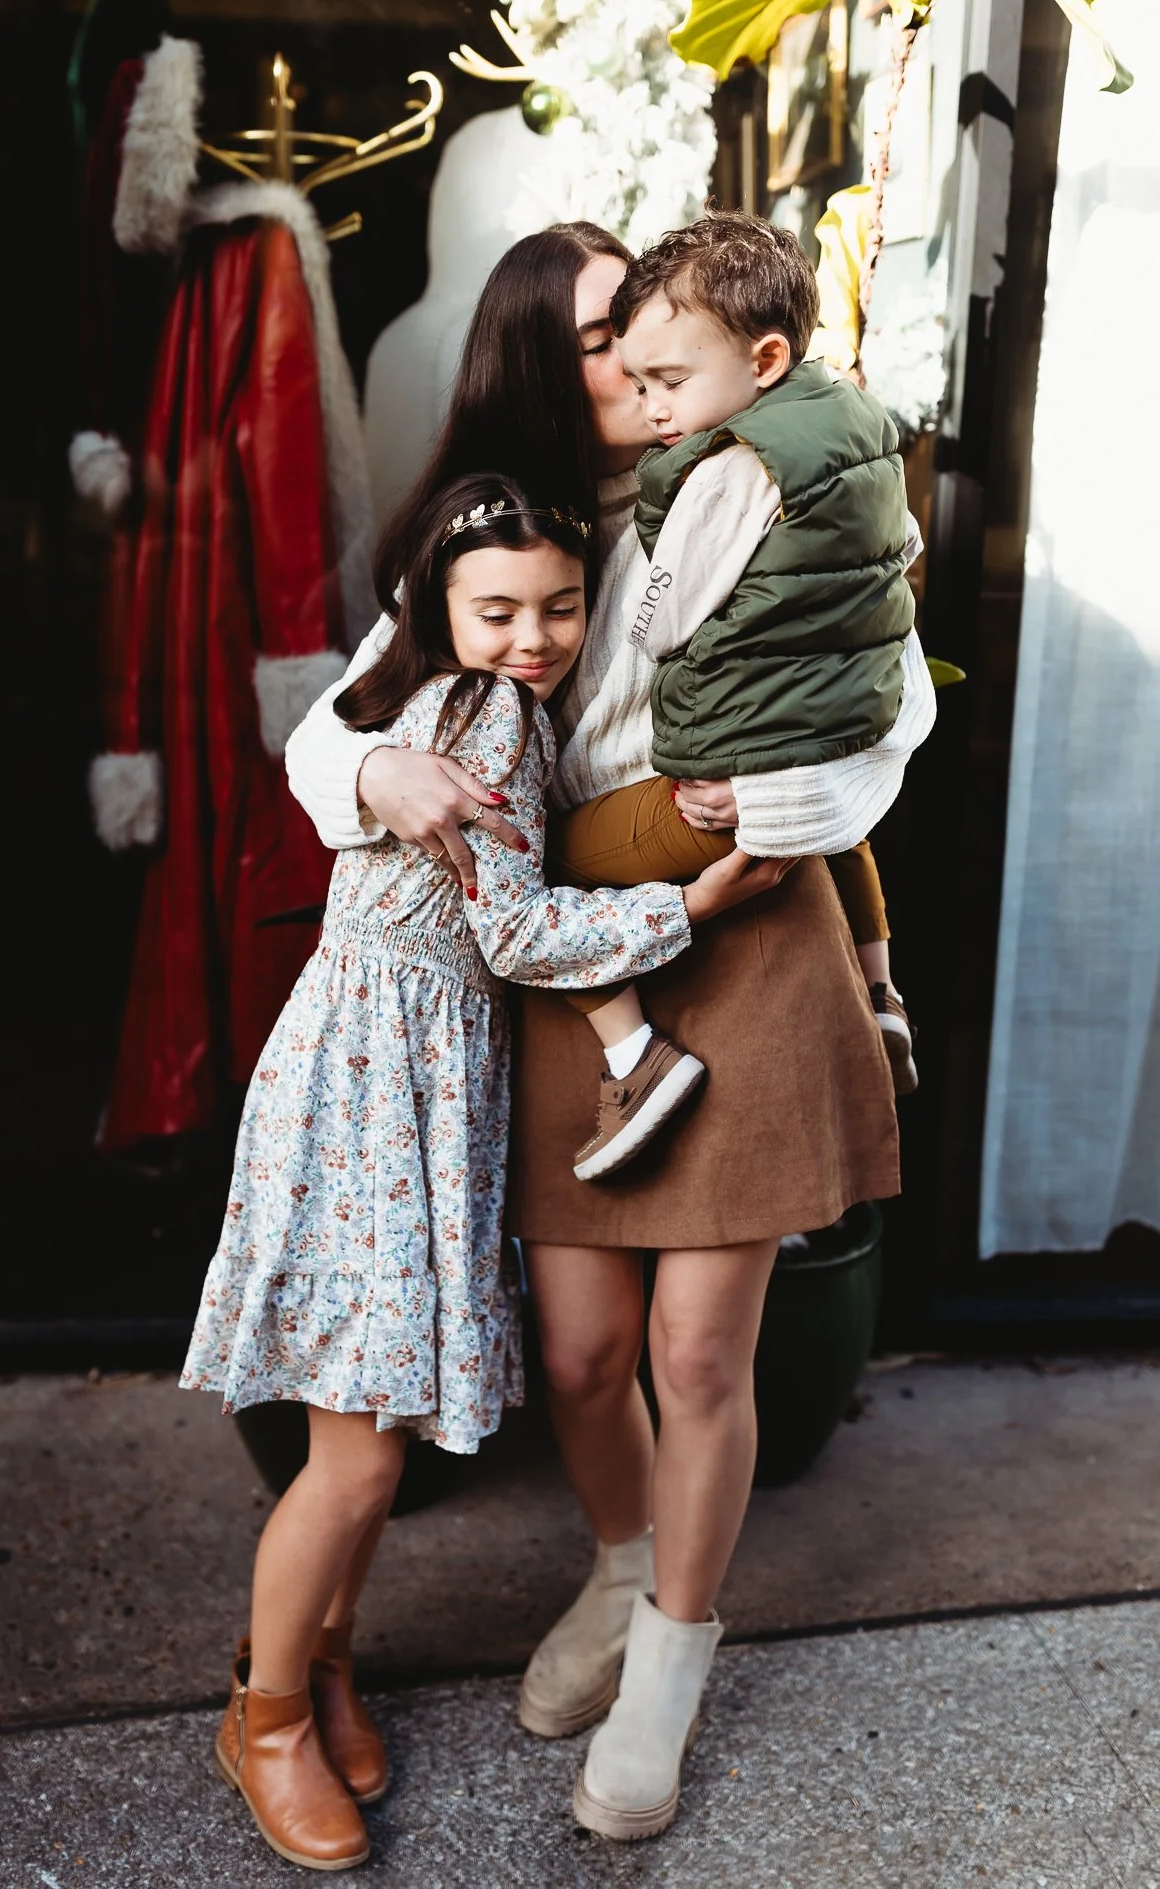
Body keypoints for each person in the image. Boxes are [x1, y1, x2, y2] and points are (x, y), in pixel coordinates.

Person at [286, 224, 910, 1843]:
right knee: (576, 1348)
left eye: (643, 321)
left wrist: (782, 803)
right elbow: (333, 724)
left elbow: (882, 694)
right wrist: (374, 778)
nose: (632, 354)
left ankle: (667, 1669)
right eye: (593, 335)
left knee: (698, 1349)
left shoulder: (764, 480)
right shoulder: (509, 533)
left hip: (745, 926)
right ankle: (622, 1564)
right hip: (580, 961)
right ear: (531, 363)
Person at [182, 470, 761, 1874]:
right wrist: (687, 905)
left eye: (562, 606)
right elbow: (514, 935)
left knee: (364, 1416)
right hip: (381, 1093)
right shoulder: (482, 713)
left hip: (392, 1079)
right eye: (497, 608)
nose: (536, 636)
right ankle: (262, 1716)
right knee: (359, 1458)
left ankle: (320, 1672)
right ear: (439, 608)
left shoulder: (454, 707)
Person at [553, 209, 934, 1181]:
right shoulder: (839, 426)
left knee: (528, 869)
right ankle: (884, 992)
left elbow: (665, 617)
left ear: (761, 358)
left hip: (700, 813)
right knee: (846, 840)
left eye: (661, 377)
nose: (649, 403)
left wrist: (761, 792)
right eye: (620, 368)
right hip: (777, 812)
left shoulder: (724, 474)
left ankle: (633, 1057)